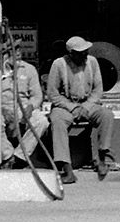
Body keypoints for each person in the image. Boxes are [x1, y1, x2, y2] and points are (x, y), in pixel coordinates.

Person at [45, 36, 116, 184]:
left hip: (86, 104)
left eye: (86, 51)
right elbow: (53, 93)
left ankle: (102, 158)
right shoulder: (59, 64)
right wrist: (73, 107)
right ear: (71, 53)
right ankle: (67, 168)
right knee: (57, 120)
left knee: (106, 115)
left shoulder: (92, 62)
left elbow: (98, 90)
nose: (84, 55)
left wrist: (85, 106)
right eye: (80, 52)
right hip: (66, 105)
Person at [0, 45, 45, 167]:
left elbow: (37, 96)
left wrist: (30, 107)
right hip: (1, 107)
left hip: (22, 107)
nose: (17, 52)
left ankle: (19, 157)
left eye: (18, 49)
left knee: (41, 121)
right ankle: (7, 155)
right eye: (12, 50)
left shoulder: (29, 69)